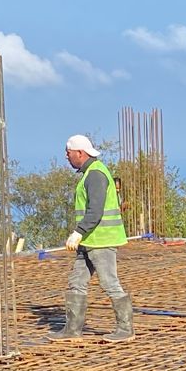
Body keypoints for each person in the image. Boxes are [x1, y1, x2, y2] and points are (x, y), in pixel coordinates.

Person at [54, 133, 132, 342]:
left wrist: (78, 232)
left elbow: (95, 211)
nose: (67, 157)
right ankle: (72, 330)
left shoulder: (95, 174)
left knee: (109, 283)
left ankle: (125, 329)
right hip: (90, 240)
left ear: (80, 153)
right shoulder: (89, 173)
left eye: (68, 153)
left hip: (101, 240)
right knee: (76, 282)